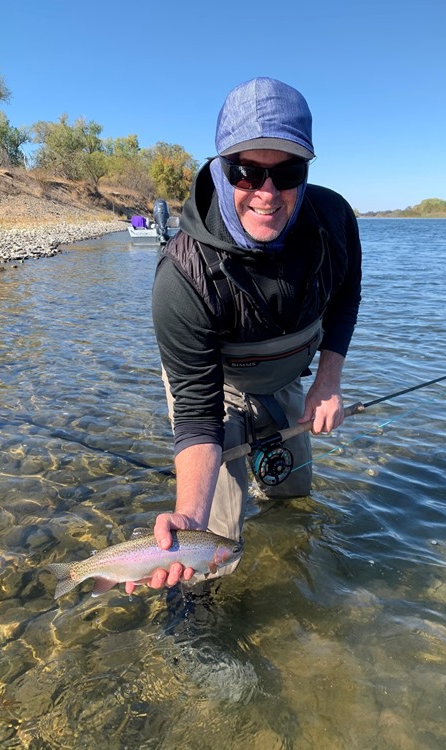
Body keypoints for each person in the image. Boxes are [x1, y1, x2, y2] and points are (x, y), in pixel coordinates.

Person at [147, 76, 361, 592]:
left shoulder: (334, 221)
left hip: (285, 379)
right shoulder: (182, 277)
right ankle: (196, 627)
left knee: (293, 496)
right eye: (246, 172)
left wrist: (327, 381)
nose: (267, 193)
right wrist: (187, 515)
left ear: (306, 172)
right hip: (213, 389)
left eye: (287, 172)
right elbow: (197, 418)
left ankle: (295, 589)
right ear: (221, 169)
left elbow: (346, 296)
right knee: (212, 539)